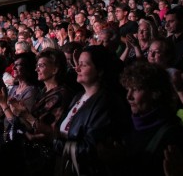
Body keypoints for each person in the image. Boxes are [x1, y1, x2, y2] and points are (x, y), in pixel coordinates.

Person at [52, 45, 130, 176]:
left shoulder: (106, 102)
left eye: (84, 65)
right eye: (78, 64)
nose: (77, 68)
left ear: (100, 70)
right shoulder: (78, 96)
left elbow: (93, 149)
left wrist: (54, 141)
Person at [7, 48, 74, 175]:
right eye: (37, 66)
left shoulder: (61, 94)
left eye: (41, 66)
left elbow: (54, 131)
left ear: (55, 69)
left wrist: (26, 115)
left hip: (47, 157)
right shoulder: (43, 91)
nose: (36, 69)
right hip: (32, 154)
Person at [121, 62, 183, 176]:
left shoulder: (174, 136)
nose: (129, 96)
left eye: (136, 89)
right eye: (128, 89)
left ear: (155, 92)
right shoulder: (128, 126)